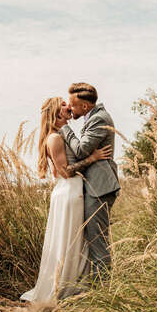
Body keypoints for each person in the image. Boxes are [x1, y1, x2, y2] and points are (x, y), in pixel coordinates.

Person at [20, 96, 111, 303]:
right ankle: (64, 288)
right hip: (69, 193)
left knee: (75, 240)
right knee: (69, 241)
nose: (68, 106)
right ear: (56, 113)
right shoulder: (54, 138)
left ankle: (77, 284)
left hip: (73, 192)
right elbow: (66, 172)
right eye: (63, 105)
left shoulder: (62, 134)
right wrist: (93, 158)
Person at [59, 82, 120, 285]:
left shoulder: (99, 118)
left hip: (100, 187)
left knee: (97, 240)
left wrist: (65, 127)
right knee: (93, 239)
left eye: (72, 104)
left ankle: (103, 289)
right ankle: (96, 284)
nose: (69, 108)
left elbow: (82, 150)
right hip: (94, 186)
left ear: (84, 107)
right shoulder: (93, 117)